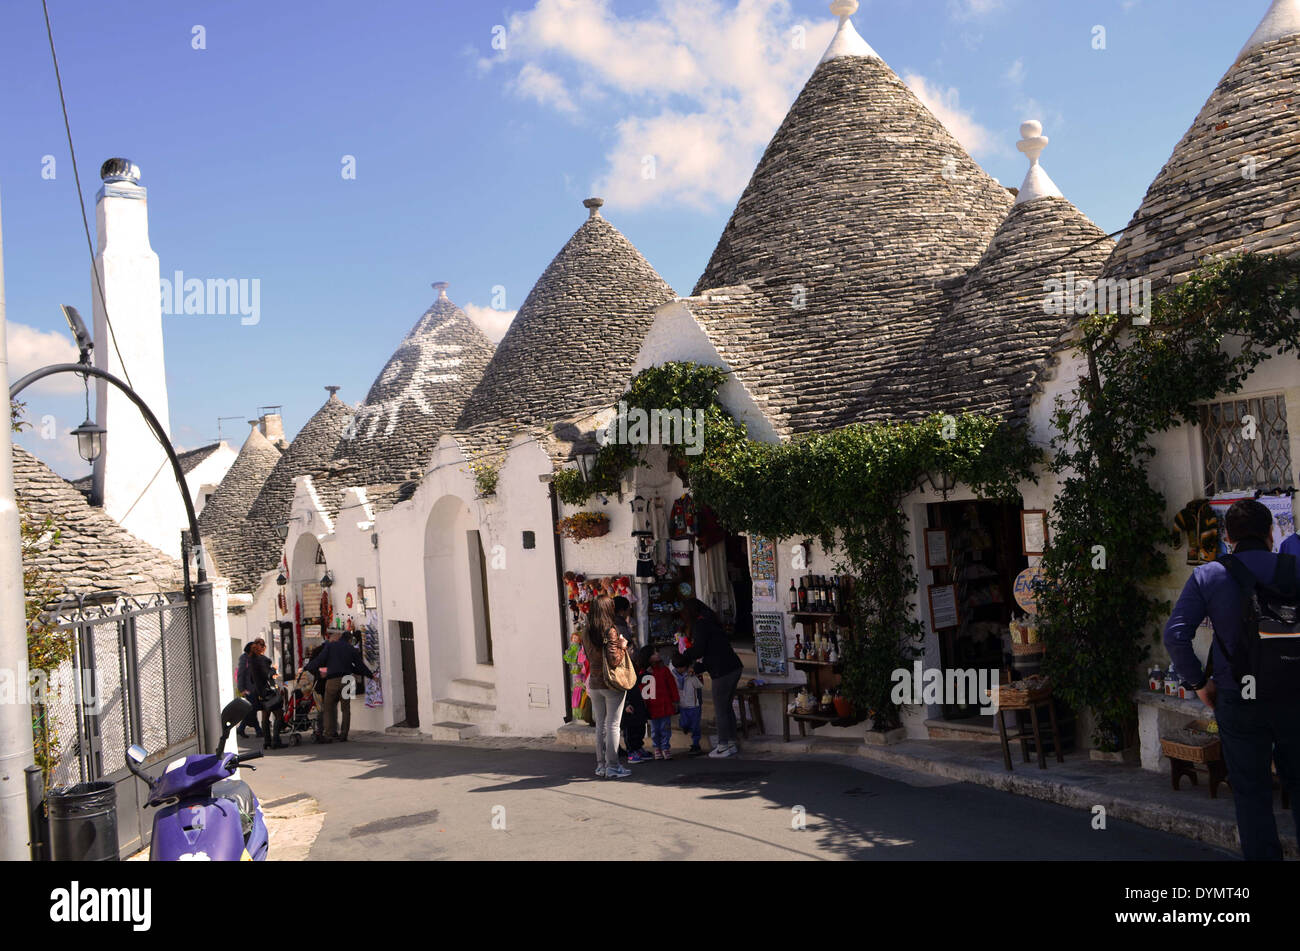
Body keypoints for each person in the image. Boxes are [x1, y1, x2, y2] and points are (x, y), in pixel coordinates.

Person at [1164, 498, 1300, 860]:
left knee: (1252, 794)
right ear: (1271, 533)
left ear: (1227, 537)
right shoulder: (1294, 568)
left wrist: (1199, 684)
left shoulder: (1209, 575)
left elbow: (1175, 636)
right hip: (1294, 695)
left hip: (1238, 697)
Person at [679, 598, 744, 758]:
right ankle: (731, 742)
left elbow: (699, 650)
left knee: (721, 709)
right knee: (726, 707)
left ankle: (722, 745)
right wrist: (698, 668)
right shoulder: (710, 621)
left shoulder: (700, 625)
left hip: (722, 671)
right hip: (732, 666)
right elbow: (710, 651)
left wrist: (684, 654)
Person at [583, 595, 631, 779]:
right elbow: (614, 660)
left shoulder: (586, 631)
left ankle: (601, 765)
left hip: (594, 682)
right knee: (613, 725)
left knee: (601, 725)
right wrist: (623, 646)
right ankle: (613, 766)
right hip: (610, 682)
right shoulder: (610, 630)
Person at [246, 639, 285, 750]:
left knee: (265, 715)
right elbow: (267, 674)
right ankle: (276, 740)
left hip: (260, 692)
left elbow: (252, 679)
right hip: (269, 692)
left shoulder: (252, 661)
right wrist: (274, 669)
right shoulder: (263, 660)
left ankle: (267, 741)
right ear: (263, 648)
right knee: (279, 714)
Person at [644, 647, 680, 759]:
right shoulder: (644, 672)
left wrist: (675, 700)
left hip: (665, 705)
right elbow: (642, 689)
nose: (657, 653)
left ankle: (665, 748)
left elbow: (672, 686)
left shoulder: (664, 670)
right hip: (652, 706)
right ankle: (657, 748)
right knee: (655, 730)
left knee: (666, 728)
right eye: (654, 653)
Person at [622, 646, 652, 764]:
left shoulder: (633, 665)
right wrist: (625, 704)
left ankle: (638, 748)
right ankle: (631, 751)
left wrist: (646, 674)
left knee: (639, 726)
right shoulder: (620, 667)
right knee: (630, 729)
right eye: (630, 649)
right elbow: (620, 688)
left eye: (633, 648)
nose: (633, 651)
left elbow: (636, 680)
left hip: (637, 700)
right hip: (628, 702)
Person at [671, 652, 705, 756]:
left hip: (694, 705)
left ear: (686, 666)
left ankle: (696, 744)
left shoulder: (691, 676)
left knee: (695, 726)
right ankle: (686, 728)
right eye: (678, 668)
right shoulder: (673, 676)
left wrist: (696, 676)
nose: (680, 670)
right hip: (682, 705)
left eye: (682, 667)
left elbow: (700, 685)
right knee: (684, 723)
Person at [235, 642, 263, 740]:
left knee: (252, 709)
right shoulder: (244, 659)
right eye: (254, 648)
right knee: (252, 709)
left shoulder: (254, 658)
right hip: (248, 689)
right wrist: (241, 689)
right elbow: (240, 674)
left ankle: (242, 729)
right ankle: (258, 730)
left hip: (255, 689)